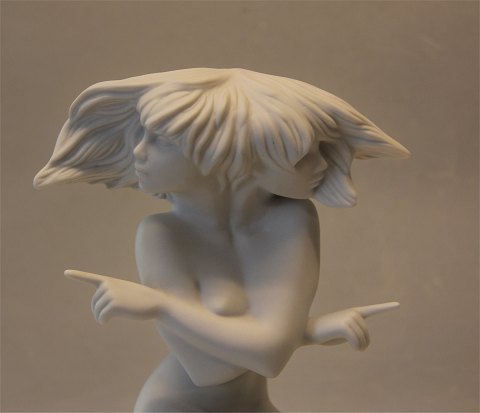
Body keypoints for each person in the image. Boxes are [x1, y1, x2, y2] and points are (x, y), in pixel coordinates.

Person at [34, 68, 409, 412]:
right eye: (143, 135)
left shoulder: (292, 220)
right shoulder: (162, 235)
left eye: (160, 140)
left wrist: (161, 306)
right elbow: (210, 370)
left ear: (219, 153)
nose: (138, 151)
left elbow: (269, 354)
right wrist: (300, 332)